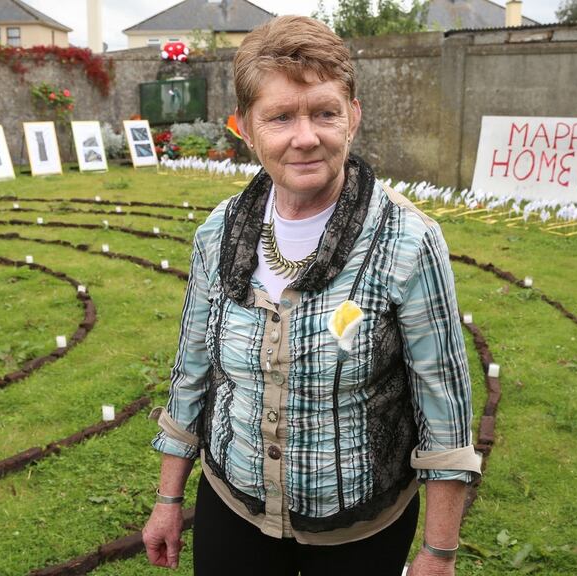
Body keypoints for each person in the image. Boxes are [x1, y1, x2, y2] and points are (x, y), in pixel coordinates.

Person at [142, 15, 481, 576]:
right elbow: (192, 373)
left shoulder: (407, 241)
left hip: (360, 531)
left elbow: (444, 407)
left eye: (325, 112)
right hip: (233, 508)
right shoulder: (218, 233)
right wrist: (168, 499)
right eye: (279, 117)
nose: (305, 136)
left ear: (353, 116)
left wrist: (438, 551)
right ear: (245, 130)